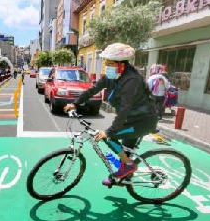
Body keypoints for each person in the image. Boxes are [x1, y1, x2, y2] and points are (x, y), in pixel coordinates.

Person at [63, 43, 158, 185]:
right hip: (131, 120)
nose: (107, 66)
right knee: (124, 153)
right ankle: (122, 176)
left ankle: (130, 166)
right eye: (106, 63)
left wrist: (109, 131)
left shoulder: (131, 80)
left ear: (121, 65)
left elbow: (125, 109)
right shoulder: (110, 76)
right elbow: (93, 90)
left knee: (110, 137)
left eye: (110, 63)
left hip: (142, 122)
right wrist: (76, 103)